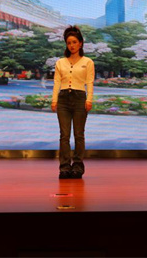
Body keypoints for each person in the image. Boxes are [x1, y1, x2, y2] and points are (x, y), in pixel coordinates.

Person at [51, 26, 95, 179]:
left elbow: (89, 82)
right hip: (63, 99)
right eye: (69, 42)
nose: (72, 45)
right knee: (64, 135)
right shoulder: (60, 62)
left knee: (78, 134)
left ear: (80, 43)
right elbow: (57, 82)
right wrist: (54, 100)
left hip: (79, 98)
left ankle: (77, 167)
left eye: (74, 42)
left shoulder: (88, 62)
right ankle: (64, 167)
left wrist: (89, 99)